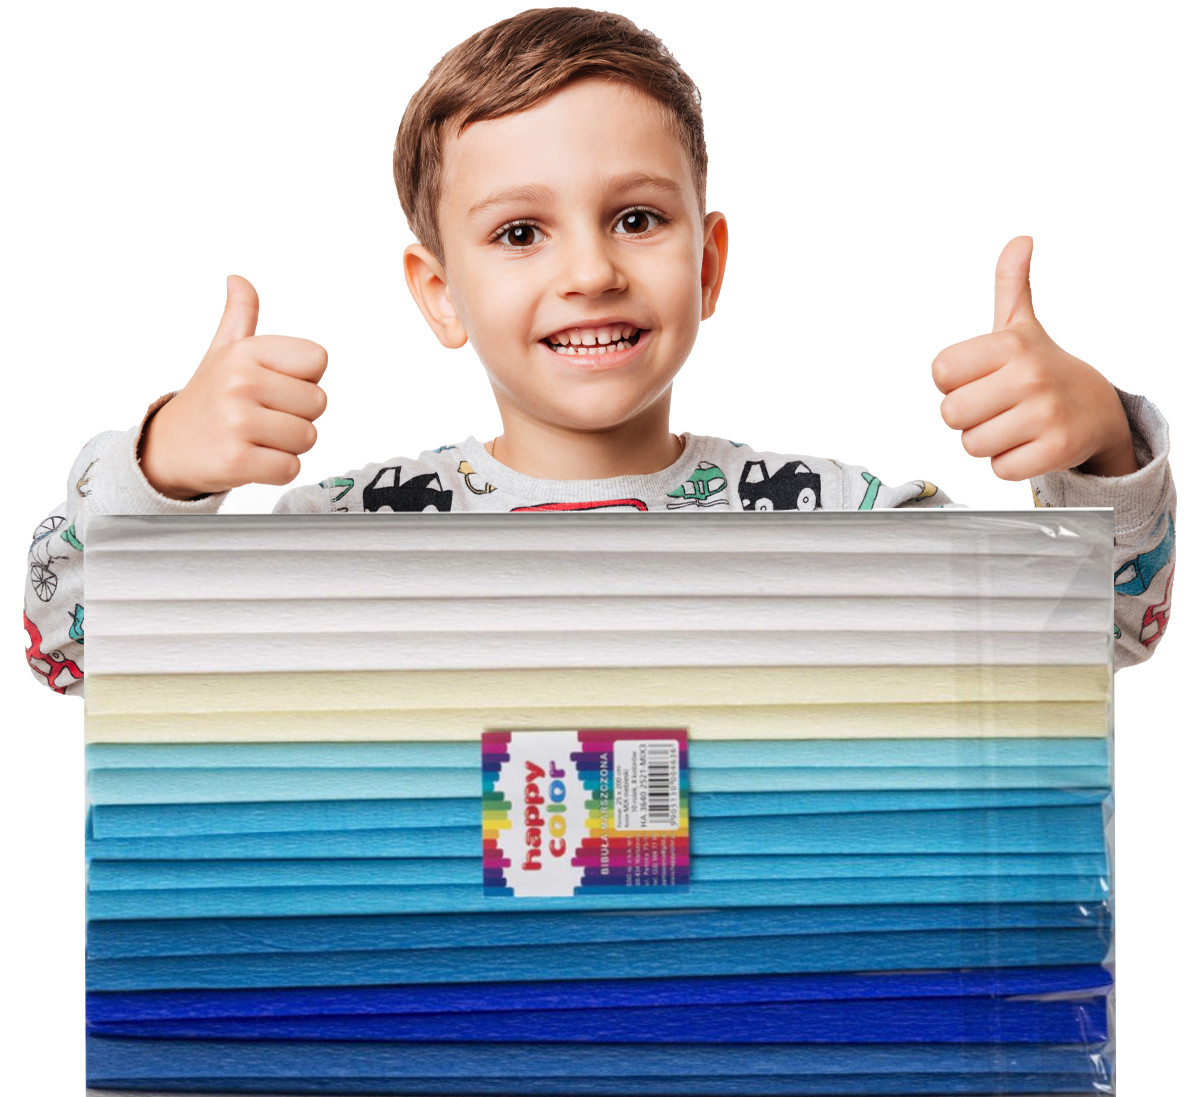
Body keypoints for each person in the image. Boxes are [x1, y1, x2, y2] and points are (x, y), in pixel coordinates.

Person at [23, 6, 1175, 695]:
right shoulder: (345, 536)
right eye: (520, 233)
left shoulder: (841, 521)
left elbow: (1094, 639)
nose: (590, 270)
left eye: (636, 217)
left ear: (707, 264)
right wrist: (159, 471)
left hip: (755, 1012)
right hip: (445, 1023)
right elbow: (69, 651)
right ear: (440, 294)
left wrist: (1102, 453)